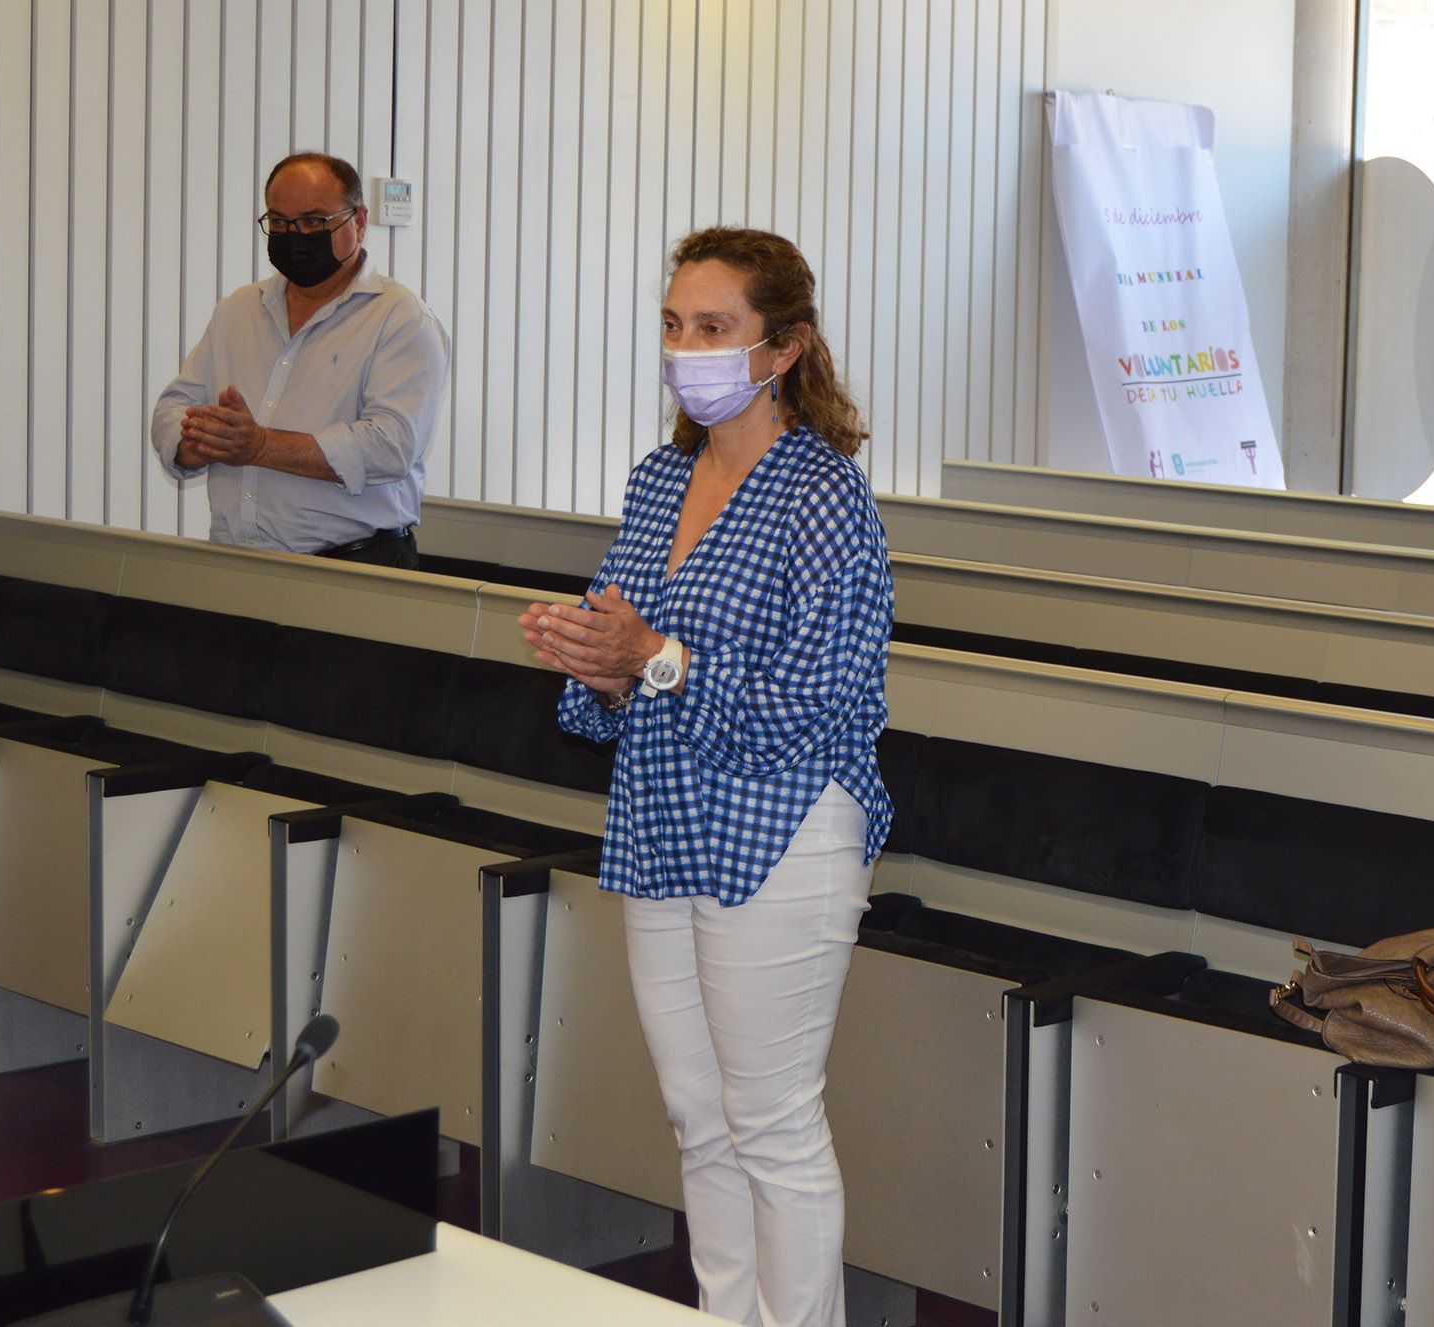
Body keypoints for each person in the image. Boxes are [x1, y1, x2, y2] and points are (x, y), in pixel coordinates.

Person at [518, 227, 892, 1327]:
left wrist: (656, 659)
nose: (687, 349)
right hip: (663, 815)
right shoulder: (658, 478)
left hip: (780, 826)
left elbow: (817, 701)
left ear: (781, 350)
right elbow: (617, 669)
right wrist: (598, 661)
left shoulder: (821, 499)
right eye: (674, 326)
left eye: (714, 328)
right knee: (698, 1115)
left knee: (771, 1120)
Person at [150, 152, 449, 567]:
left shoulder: (401, 319)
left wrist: (257, 446)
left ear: (359, 222)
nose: (294, 235)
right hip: (234, 567)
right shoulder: (237, 310)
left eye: (313, 221)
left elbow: (390, 445)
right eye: (279, 222)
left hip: (356, 571)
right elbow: (173, 407)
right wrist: (201, 440)